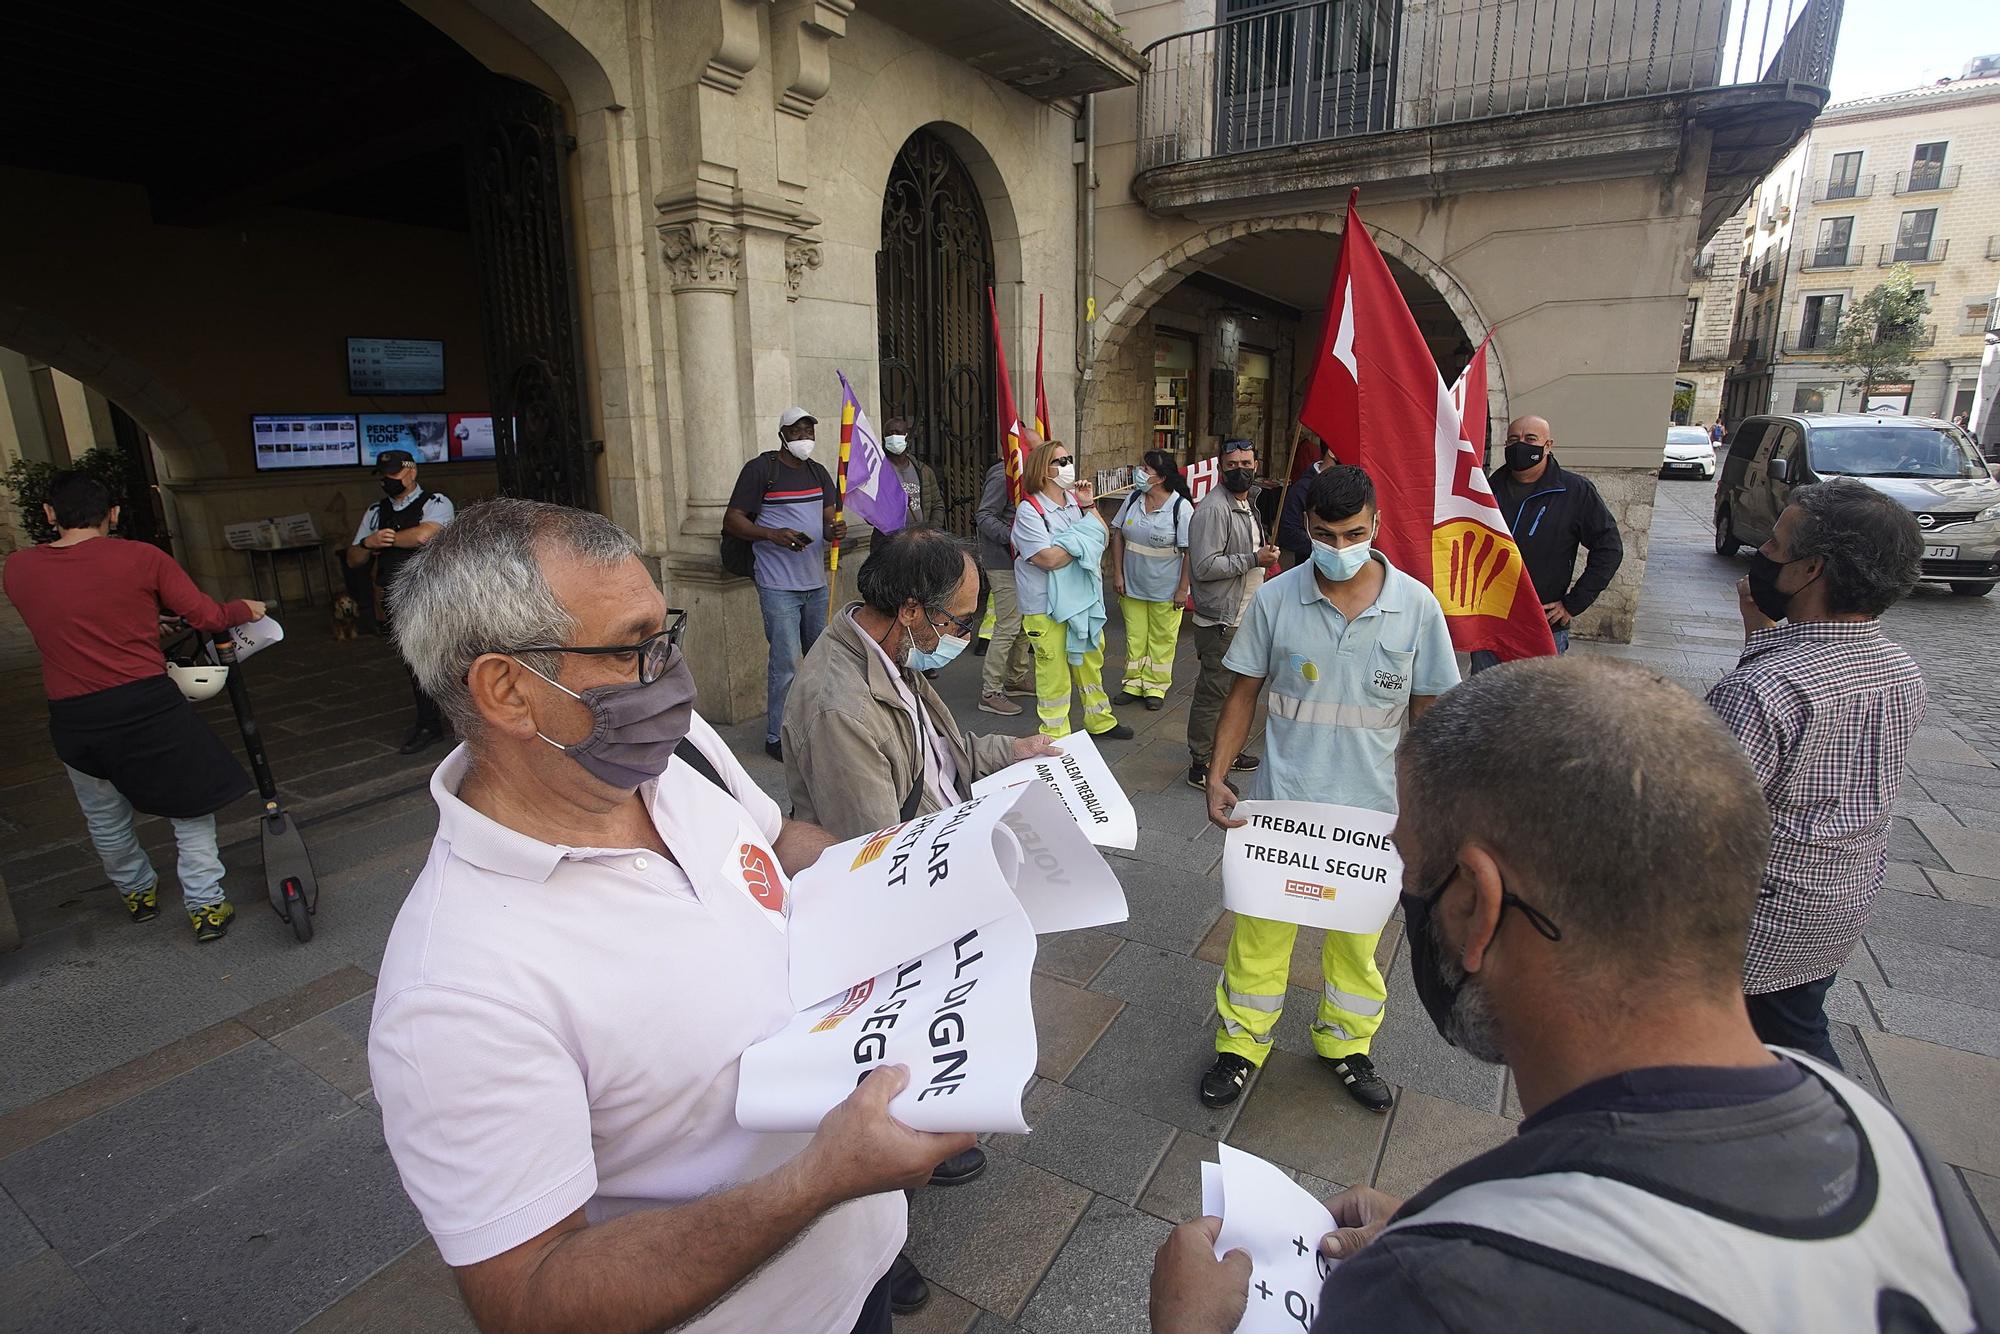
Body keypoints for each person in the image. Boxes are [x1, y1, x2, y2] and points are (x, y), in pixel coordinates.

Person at [1150, 658, 1999, 1334]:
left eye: (1410, 868)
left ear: (1476, 905)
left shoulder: (1436, 1295)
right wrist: (1450, 1223)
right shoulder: (1887, 1139)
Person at [370, 498, 972, 1334]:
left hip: (859, 1268)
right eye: (632, 648)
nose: (671, 674)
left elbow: (775, 838)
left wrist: (911, 878)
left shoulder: (673, 753)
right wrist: (818, 1180)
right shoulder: (457, 992)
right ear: (507, 688)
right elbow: (532, 1298)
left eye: (666, 632)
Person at [782, 524, 1063, 1314]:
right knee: (876, 1067)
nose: (966, 636)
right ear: (912, 611)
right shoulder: (840, 699)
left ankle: (915, 1153)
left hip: (941, 858)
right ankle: (875, 1242)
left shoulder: (895, 659)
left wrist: (1020, 752)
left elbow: (946, 757)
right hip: (886, 904)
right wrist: (983, 877)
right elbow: (878, 858)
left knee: (924, 1050)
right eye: (961, 620)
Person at [1201, 465, 1458, 1113]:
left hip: (1374, 819)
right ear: (1305, 528)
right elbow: (1243, 694)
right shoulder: (1276, 598)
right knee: (1259, 936)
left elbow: (1431, 713)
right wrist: (1216, 774)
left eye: (1353, 533)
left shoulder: (1417, 609)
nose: (1339, 549)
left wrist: (1431, 808)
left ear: (1377, 525)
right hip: (1282, 808)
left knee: (1357, 943)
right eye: (1323, 534)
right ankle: (1241, 1045)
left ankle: (1345, 1046)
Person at [1706, 479, 1926, 1068]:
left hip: (1762, 918)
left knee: (1784, 1050)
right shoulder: (1899, 667)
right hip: (1841, 896)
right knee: (1797, 1022)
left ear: (1810, 570)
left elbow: (1701, 822)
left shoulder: (1763, 690)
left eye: (1775, 546)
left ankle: (1836, 1139)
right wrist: (1761, 638)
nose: (1763, 554)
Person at [4, 471, 266, 942]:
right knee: (190, 806)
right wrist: (243, 609)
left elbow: (75, 620)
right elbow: (206, 616)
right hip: (145, 706)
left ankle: (137, 893)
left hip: (74, 717)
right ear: (114, 514)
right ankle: (206, 904)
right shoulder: (142, 557)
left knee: (103, 814)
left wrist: (144, 620)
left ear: (48, 514)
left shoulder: (18, 568)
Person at [723, 406, 846, 761]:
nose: (804, 438)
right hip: (777, 582)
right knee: (786, 662)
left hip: (816, 581)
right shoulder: (761, 470)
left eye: (809, 431)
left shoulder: (819, 472)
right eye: (796, 432)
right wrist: (771, 534)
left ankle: (818, 727)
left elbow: (826, 521)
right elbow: (733, 520)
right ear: (782, 435)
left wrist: (834, 530)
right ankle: (777, 736)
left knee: (821, 660)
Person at [1473, 415, 1623, 672]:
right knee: (1486, 704)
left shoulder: (1575, 491)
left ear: (1548, 445)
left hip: (1542, 625)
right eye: (1513, 439)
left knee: (1536, 705)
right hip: (1491, 624)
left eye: (1531, 439)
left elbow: (1609, 548)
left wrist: (1573, 604)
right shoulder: (1486, 489)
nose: (1521, 445)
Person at [1012, 438, 1133, 742]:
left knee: (1090, 661)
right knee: (1053, 671)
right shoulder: (1030, 511)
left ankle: (1099, 720)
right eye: (1061, 462)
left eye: (1069, 459)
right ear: (1043, 470)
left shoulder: (1073, 504)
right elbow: (1047, 559)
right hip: (1044, 605)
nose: (1069, 466)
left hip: (1078, 601)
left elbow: (1102, 537)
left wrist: (1089, 505)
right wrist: (1083, 542)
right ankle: (1054, 734)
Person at [347, 448, 456, 752]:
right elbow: (354, 557)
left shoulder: (435, 502)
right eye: (384, 475)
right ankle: (428, 723)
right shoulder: (375, 511)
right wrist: (368, 543)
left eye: (394, 474)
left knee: (451, 657)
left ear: (411, 472)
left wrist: (390, 538)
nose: (388, 480)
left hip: (434, 593)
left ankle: (469, 718)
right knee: (416, 663)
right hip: (397, 597)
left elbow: (426, 535)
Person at [1185, 439, 1279, 789]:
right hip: (1221, 620)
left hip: (1245, 614)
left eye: (1246, 463)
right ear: (1220, 468)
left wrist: (1264, 554)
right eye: (1232, 465)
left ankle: (1227, 751)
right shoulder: (1213, 509)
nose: (1240, 470)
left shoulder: (1249, 503)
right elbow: (1205, 565)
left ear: (1257, 464)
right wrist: (1255, 559)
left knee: (1235, 692)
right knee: (1214, 692)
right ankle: (1202, 763)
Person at [1109, 450, 1194, 710]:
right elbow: (1118, 535)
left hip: (1165, 589)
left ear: (1161, 477)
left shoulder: (1181, 507)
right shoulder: (1134, 498)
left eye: (1146, 469)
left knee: (1162, 639)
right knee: (1135, 637)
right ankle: (1133, 683)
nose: (1140, 472)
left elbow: (1189, 552)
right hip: (1132, 585)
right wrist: (1118, 573)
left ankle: (1156, 686)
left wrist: (1183, 589)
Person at [974, 455, 1034, 715]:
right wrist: (1014, 537)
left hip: (1023, 561)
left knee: (1023, 622)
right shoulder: (1003, 474)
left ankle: (1015, 677)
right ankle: (991, 691)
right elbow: (985, 515)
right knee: (1008, 625)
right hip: (1003, 561)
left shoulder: (1026, 471)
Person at [1275, 433, 1334, 569]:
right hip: (1309, 571)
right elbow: (1288, 534)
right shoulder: (1301, 490)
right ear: (1332, 452)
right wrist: (1325, 545)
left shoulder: (1354, 487)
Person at [881, 417, 944, 530]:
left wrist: (932, 530)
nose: (894, 437)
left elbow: (937, 504)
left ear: (907, 436)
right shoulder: (878, 472)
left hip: (920, 540)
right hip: (890, 541)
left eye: (898, 433)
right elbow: (870, 514)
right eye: (889, 434)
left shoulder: (924, 471)